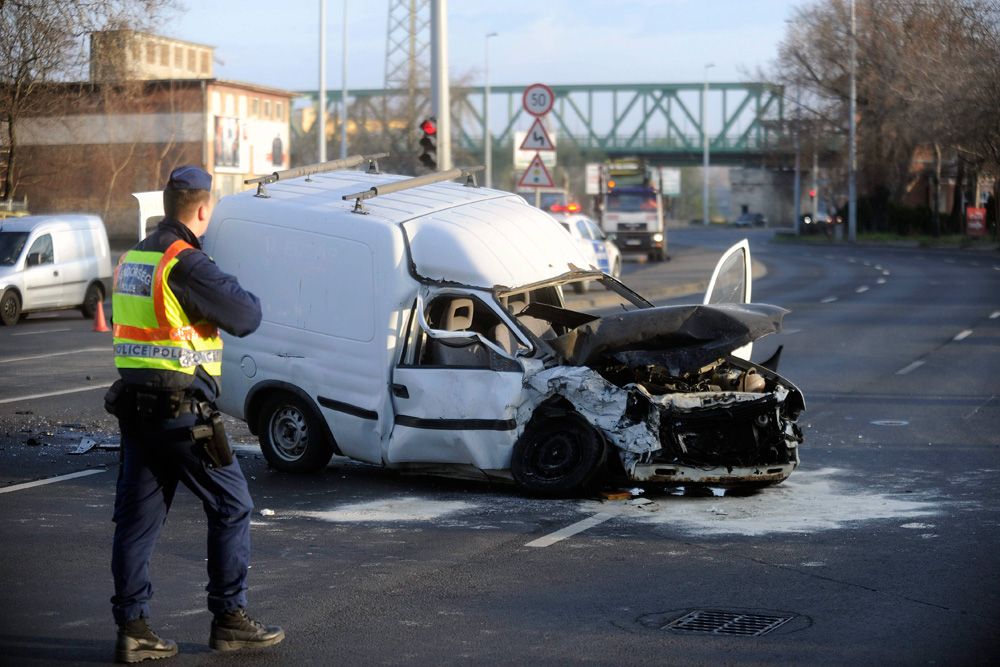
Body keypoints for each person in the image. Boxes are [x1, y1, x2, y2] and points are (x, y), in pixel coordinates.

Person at [106, 166, 283, 663]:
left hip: (137, 412)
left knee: (136, 522)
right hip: (184, 415)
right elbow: (246, 315)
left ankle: (133, 628)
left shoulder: (134, 258)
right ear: (204, 209)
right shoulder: (185, 262)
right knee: (232, 506)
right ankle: (229, 618)